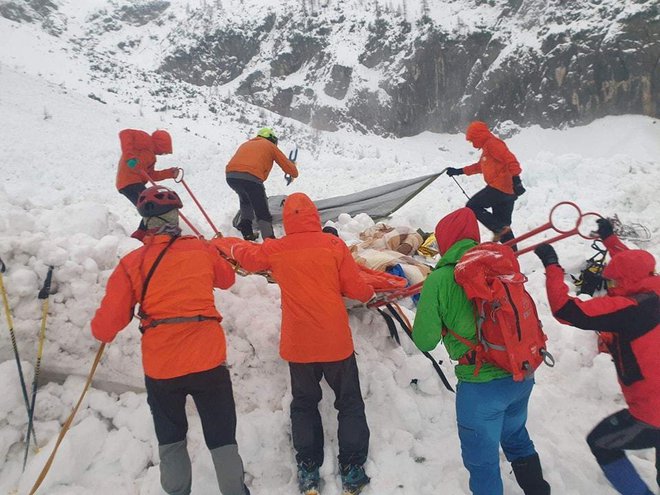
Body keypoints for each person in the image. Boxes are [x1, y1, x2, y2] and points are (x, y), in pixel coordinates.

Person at [91, 186, 249, 495]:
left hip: (162, 368)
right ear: (176, 218)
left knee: (171, 438)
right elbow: (227, 280)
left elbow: (107, 325)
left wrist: (104, 330)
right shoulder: (200, 249)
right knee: (222, 437)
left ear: (145, 222)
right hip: (208, 362)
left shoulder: (132, 263)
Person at [213, 192, 375, 495]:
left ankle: (309, 471)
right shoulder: (333, 245)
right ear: (314, 216)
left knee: (303, 404)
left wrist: (224, 243)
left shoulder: (277, 249)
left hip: (299, 345)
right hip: (335, 342)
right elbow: (355, 288)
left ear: (287, 220)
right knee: (349, 402)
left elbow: (246, 254)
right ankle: (352, 471)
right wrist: (370, 294)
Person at [412, 207, 550, 495]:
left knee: (483, 463)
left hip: (481, 389)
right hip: (520, 374)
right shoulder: (499, 265)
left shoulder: (439, 280)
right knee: (516, 438)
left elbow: (424, 342)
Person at [534, 218, 659, 495]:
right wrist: (610, 240)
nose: (611, 285)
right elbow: (634, 267)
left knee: (601, 442)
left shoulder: (629, 309)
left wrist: (552, 266)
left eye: (613, 280)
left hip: (653, 413)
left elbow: (566, 310)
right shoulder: (653, 287)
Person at [446, 121, 526, 246]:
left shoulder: (493, 144)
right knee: (504, 227)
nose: (472, 144)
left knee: (472, 206)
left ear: (478, 136)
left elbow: (510, 160)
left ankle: (499, 229)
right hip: (507, 193)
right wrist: (459, 171)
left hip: (499, 188)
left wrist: (517, 180)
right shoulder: (488, 147)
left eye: (472, 140)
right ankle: (512, 254)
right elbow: (480, 167)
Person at [226, 127, 299, 241]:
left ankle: (247, 232)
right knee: (262, 209)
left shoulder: (246, 144)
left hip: (231, 176)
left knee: (246, 201)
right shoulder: (270, 146)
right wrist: (293, 168)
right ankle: (269, 239)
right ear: (272, 139)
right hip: (251, 178)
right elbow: (292, 171)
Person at [116, 129, 179, 241]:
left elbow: (151, 175)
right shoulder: (145, 139)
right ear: (161, 143)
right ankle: (138, 238)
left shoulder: (151, 157)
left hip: (135, 182)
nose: (163, 153)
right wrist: (130, 156)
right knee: (150, 209)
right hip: (129, 181)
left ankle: (143, 235)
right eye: (164, 150)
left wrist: (170, 173)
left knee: (150, 209)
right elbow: (125, 133)